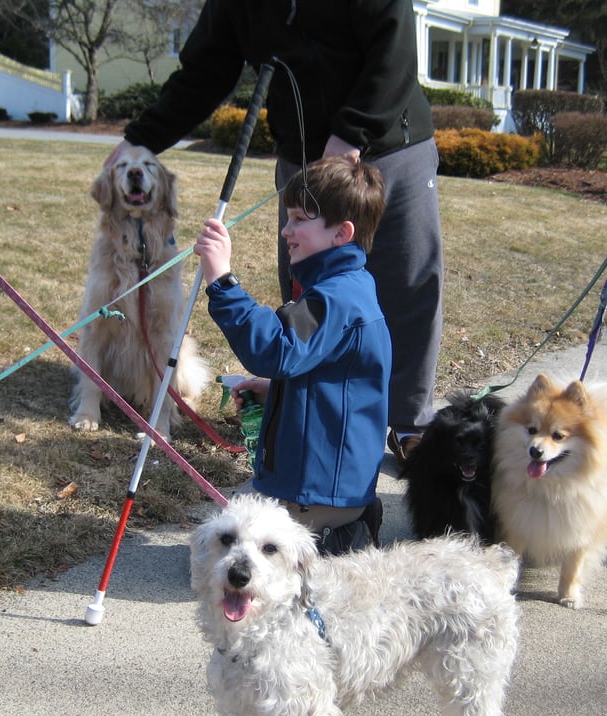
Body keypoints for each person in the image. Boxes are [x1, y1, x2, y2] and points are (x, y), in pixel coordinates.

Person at [110, 0, 443, 468]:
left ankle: (410, 421)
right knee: (307, 291)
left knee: (408, 283)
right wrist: (142, 137)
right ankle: (308, 410)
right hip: (302, 154)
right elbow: (204, 70)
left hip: (391, 145)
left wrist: (351, 135)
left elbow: (395, 53)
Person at [194, 156, 390, 554]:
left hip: (319, 492)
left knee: (218, 552)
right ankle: (339, 532)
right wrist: (276, 390)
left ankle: (332, 543)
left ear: (342, 233)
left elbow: (276, 349)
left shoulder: (338, 298)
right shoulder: (348, 286)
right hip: (323, 486)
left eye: (300, 219)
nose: (287, 230)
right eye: (288, 218)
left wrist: (223, 281)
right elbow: (331, 377)